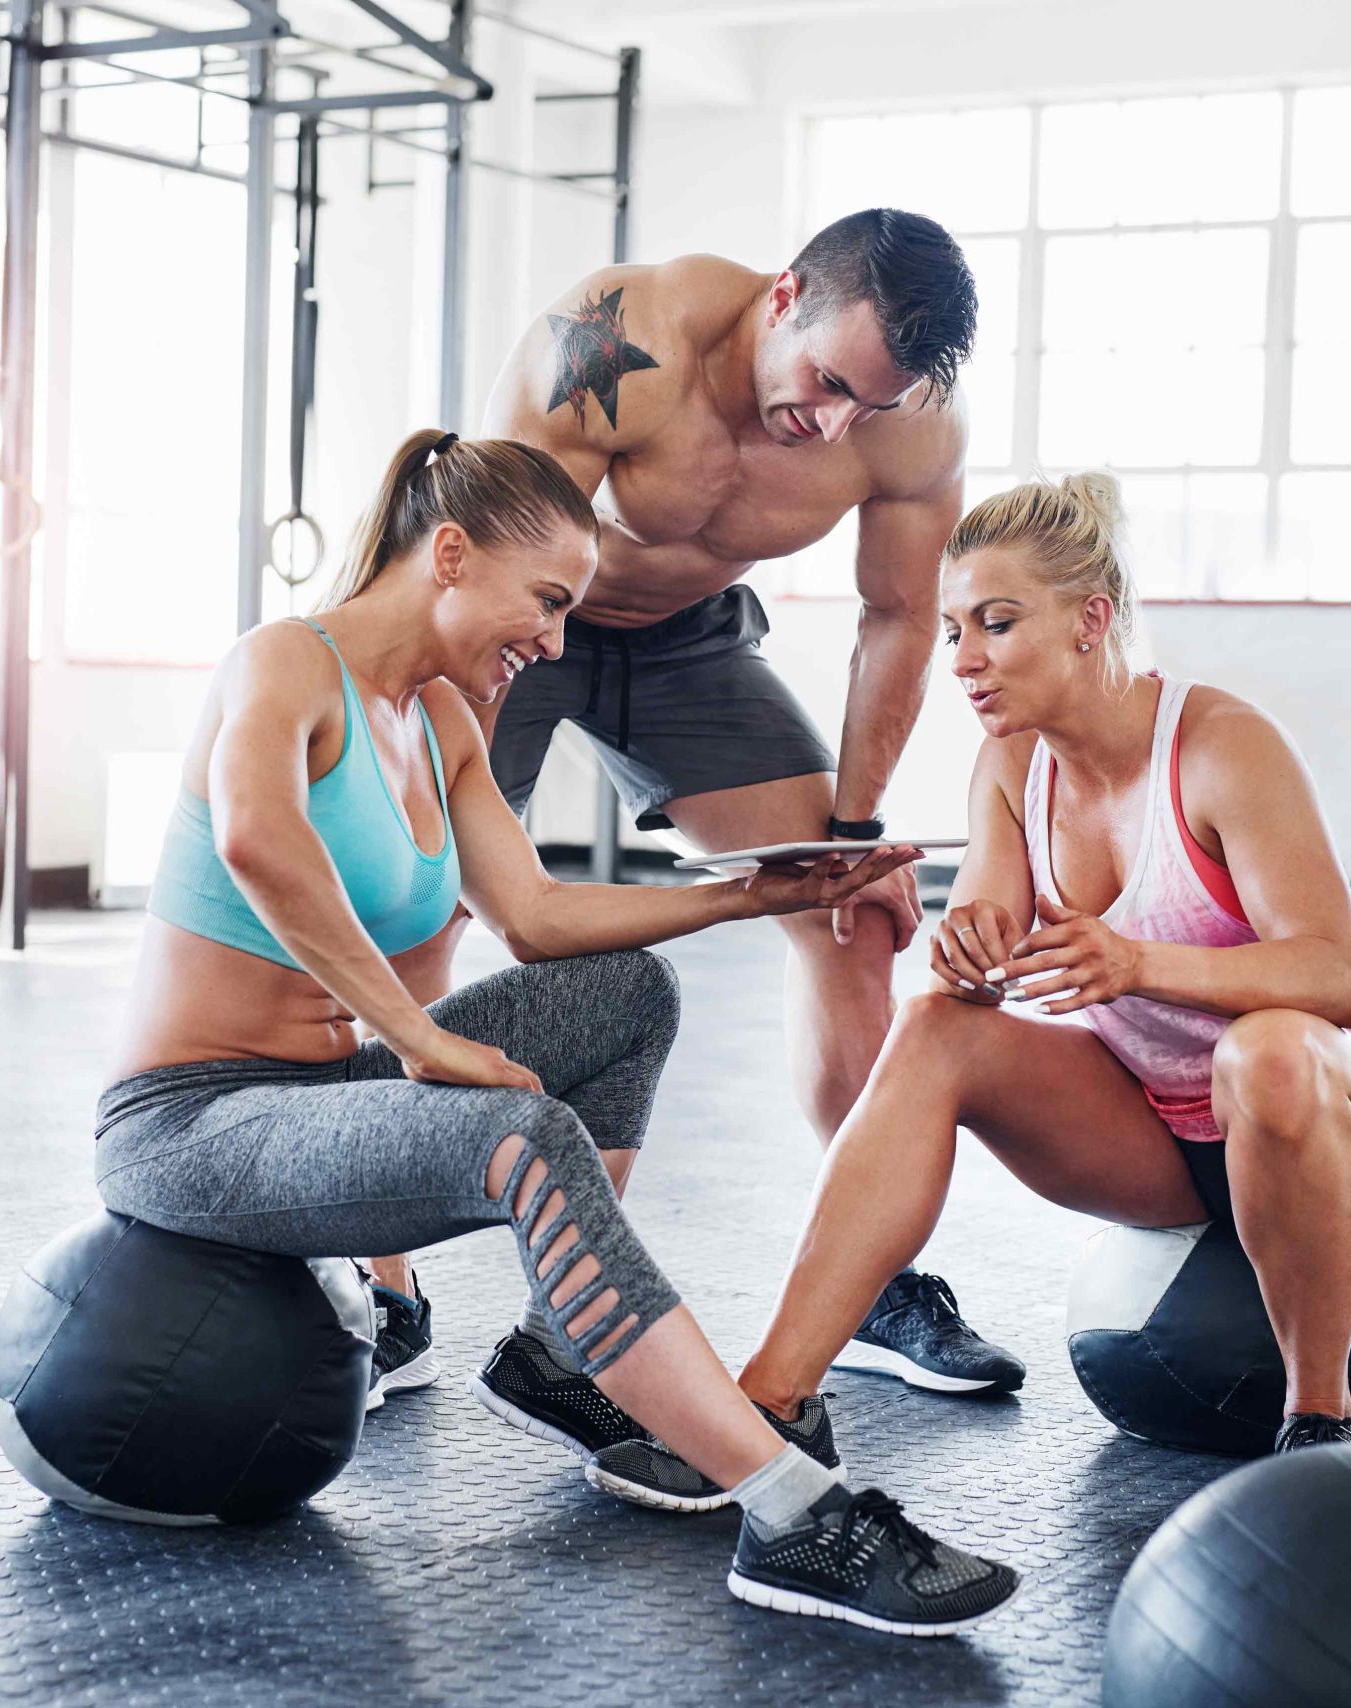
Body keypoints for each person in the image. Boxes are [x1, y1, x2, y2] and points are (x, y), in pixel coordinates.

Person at [95, 427, 1019, 1635]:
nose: (553, 640)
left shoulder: (439, 719)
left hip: (322, 1099)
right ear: (449, 554)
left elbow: (534, 916)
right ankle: (795, 1511)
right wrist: (419, 1039)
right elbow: (257, 840)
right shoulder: (281, 666)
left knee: (627, 993)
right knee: (525, 1138)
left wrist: (757, 893)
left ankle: (555, 1354)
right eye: (545, 601)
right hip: (190, 1126)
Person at [608, 473, 1351, 1495]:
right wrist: (967, 953)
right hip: (1162, 1133)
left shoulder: (1222, 746)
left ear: (1091, 620)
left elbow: (1332, 978)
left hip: (1339, 1123)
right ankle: (767, 1412)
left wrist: (1137, 962)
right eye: (954, 630)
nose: (962, 659)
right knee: (932, 1028)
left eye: (996, 625)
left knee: (1265, 1048)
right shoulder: (1010, 765)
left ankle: (1318, 1424)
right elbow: (982, 937)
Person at [372, 208, 1026, 1405]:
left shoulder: (913, 422)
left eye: (867, 406)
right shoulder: (615, 342)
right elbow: (505, 557)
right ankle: (386, 1296)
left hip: (690, 645)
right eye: (826, 383)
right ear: (782, 297)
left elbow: (896, 617)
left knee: (852, 914)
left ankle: (874, 1286)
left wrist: (853, 835)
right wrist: (444, 782)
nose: (835, 424)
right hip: (525, 625)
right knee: (417, 905)